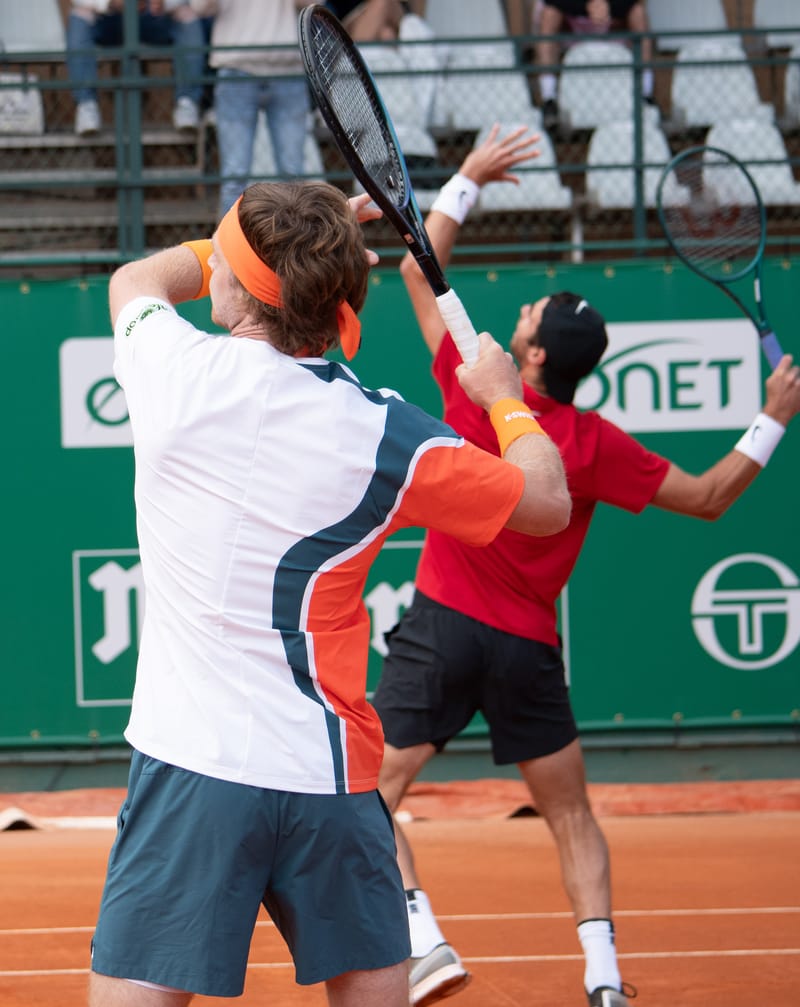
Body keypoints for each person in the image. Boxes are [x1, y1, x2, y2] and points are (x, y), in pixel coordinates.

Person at [87, 176, 572, 1006]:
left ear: (242, 284)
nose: (217, 266)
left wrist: (298, 239)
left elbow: (138, 278)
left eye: (227, 255)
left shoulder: (170, 367)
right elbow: (547, 502)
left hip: (193, 765)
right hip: (331, 777)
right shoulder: (387, 431)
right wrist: (506, 401)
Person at [372, 123, 800, 1007]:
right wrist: (773, 416)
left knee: (366, 792)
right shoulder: (597, 444)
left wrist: (468, 176)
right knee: (571, 812)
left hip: (442, 628)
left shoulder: (474, 386)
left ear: (531, 357)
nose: (525, 311)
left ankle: (422, 939)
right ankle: (603, 980)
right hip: (528, 650)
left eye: (533, 315)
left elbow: (418, 269)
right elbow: (711, 495)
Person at [189, 0, 315, 218]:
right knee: (234, 175)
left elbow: (313, 4)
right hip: (237, 69)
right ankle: (228, 241)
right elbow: (200, 7)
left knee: (293, 175)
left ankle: (295, 239)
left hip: (287, 69)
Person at [66, 1, 207, 136]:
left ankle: (187, 102)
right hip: (109, 19)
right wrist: (110, 2)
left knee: (187, 15)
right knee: (79, 16)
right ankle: (86, 103)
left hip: (155, 17)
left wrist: (165, 3)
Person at [533, 0, 659, 132]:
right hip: (573, 21)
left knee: (638, 13)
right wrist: (586, 6)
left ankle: (645, 94)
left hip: (612, 22)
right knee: (549, 14)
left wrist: (609, 6)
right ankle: (549, 99)